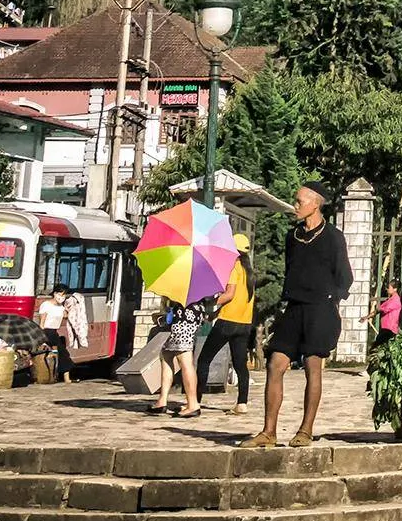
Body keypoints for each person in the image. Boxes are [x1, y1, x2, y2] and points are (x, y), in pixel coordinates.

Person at [244, 179, 351, 448]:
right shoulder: (292, 236)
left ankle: (306, 430)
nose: (295, 206)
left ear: (315, 204)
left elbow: (345, 276)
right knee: (275, 365)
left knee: (313, 368)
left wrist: (332, 299)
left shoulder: (333, 237)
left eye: (300, 201)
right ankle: (268, 432)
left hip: (320, 310)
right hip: (294, 307)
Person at [196, 234, 255, 413]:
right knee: (240, 364)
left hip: (228, 323)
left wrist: (210, 302)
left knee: (204, 359)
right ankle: (242, 403)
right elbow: (239, 299)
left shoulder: (233, 267)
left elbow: (229, 294)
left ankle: (195, 400)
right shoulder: (249, 272)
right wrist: (214, 313)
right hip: (244, 323)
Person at [150, 300, 204, 417]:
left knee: (185, 361)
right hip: (187, 316)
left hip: (185, 319)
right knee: (166, 355)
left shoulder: (185, 286)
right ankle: (162, 401)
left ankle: (193, 404)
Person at [35, 288, 75, 382]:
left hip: (54, 331)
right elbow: (42, 321)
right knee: (63, 353)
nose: (62, 297)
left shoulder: (61, 307)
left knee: (57, 354)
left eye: (64, 295)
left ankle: (55, 376)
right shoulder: (46, 305)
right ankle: (66, 378)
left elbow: (65, 316)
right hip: (47, 331)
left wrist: (67, 308)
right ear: (55, 294)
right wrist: (41, 336)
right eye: (60, 294)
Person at [370, 281, 402, 348]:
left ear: (395, 289)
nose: (387, 289)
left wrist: (377, 310)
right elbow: (381, 308)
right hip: (386, 328)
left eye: (389, 288)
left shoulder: (396, 300)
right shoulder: (390, 299)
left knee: (375, 346)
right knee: (382, 346)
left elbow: (384, 309)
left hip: (390, 329)